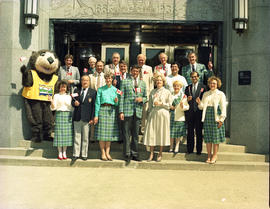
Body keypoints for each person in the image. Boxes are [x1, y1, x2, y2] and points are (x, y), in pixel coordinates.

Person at [119, 65, 147, 163]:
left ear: (139, 72)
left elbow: (146, 97)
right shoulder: (124, 82)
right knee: (126, 134)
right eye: (134, 71)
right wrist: (121, 111)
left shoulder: (142, 83)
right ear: (130, 71)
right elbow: (121, 97)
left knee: (135, 134)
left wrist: (142, 99)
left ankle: (135, 153)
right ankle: (127, 154)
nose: (135, 73)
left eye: (137, 71)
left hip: (137, 111)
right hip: (127, 111)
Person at [143, 73, 173, 162]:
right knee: (152, 133)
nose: (158, 82)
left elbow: (170, 105)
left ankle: (160, 153)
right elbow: (151, 105)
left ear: (163, 82)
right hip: (154, 113)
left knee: (161, 133)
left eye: (160, 80)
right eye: (157, 81)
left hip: (163, 114)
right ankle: (151, 153)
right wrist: (149, 113)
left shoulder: (167, 92)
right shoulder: (153, 91)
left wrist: (161, 104)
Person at [197, 76, 227, 164]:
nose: (212, 85)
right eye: (210, 83)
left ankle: (215, 155)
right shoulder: (206, 94)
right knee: (208, 137)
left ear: (217, 84)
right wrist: (199, 103)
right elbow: (202, 107)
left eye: (214, 83)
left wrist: (221, 119)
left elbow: (223, 107)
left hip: (216, 117)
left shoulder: (221, 94)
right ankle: (209, 155)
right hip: (207, 117)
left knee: (215, 138)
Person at [94, 72, 120, 161]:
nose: (108, 80)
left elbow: (117, 104)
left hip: (111, 111)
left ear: (112, 79)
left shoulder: (115, 90)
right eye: (107, 78)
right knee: (102, 133)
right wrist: (96, 115)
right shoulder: (100, 89)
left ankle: (108, 152)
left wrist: (116, 101)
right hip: (102, 110)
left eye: (110, 78)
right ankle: (103, 153)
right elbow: (97, 103)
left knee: (109, 134)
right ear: (105, 79)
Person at [71, 75, 96, 161]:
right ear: (81, 81)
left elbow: (94, 106)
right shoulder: (76, 90)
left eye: (87, 80)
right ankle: (76, 154)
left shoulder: (93, 92)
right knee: (77, 136)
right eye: (83, 80)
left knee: (85, 137)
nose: (85, 82)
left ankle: (84, 154)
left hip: (87, 118)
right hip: (77, 117)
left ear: (89, 82)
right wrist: (75, 104)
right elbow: (72, 102)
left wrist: (92, 118)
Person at [49, 80, 73, 160]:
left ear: (67, 88)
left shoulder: (69, 96)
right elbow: (53, 107)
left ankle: (64, 152)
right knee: (59, 134)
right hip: (59, 115)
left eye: (64, 87)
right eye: (61, 87)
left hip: (67, 115)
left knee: (66, 135)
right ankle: (59, 152)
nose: (63, 88)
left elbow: (71, 108)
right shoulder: (56, 96)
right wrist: (51, 101)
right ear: (59, 88)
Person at [184, 71, 207, 155]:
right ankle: (190, 149)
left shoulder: (203, 87)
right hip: (190, 113)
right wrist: (187, 100)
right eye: (192, 77)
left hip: (199, 112)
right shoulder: (188, 88)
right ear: (190, 78)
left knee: (199, 132)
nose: (194, 78)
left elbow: (205, 99)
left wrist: (200, 102)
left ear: (198, 77)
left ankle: (198, 150)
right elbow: (184, 99)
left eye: (195, 77)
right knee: (190, 132)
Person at [169, 80, 189, 153]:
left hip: (180, 116)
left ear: (180, 87)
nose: (176, 87)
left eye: (178, 86)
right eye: (175, 86)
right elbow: (167, 103)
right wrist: (169, 106)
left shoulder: (183, 96)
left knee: (178, 133)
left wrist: (182, 106)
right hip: (171, 115)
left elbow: (187, 107)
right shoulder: (170, 94)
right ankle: (171, 146)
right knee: (171, 133)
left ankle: (177, 146)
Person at [89, 60, 106, 142]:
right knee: (93, 118)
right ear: (95, 66)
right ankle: (92, 137)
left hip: (102, 100)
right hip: (93, 100)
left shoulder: (106, 77)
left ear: (103, 67)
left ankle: (100, 137)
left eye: (101, 66)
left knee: (101, 119)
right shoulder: (90, 76)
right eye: (98, 66)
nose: (99, 67)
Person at [137, 54, 154, 134]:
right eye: (139, 59)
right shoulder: (133, 68)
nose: (141, 61)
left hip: (146, 93)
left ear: (145, 60)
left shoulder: (149, 68)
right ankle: (136, 129)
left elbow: (151, 82)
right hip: (137, 94)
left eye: (142, 60)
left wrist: (151, 94)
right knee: (137, 113)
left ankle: (143, 130)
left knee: (145, 112)